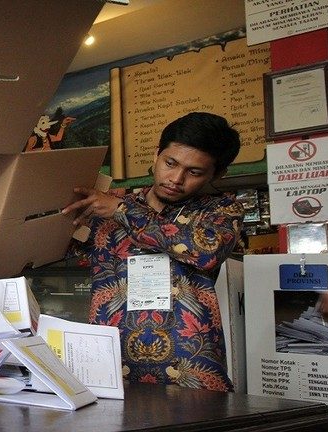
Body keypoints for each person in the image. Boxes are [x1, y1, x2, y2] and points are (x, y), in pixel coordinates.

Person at [62, 112, 244, 391]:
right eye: (170, 163)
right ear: (157, 154)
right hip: (110, 366)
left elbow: (206, 251)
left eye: (194, 172)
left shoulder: (221, 211)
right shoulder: (108, 206)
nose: (176, 178)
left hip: (190, 370)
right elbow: (59, 252)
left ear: (217, 174)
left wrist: (122, 211)